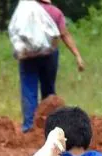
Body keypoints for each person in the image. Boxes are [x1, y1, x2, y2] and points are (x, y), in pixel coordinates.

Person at [18, 0, 85, 133]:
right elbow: (64, 34)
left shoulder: (25, 11)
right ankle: (50, 126)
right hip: (49, 55)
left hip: (28, 54)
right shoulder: (55, 12)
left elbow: (17, 31)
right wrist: (77, 55)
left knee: (28, 89)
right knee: (48, 91)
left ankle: (29, 126)